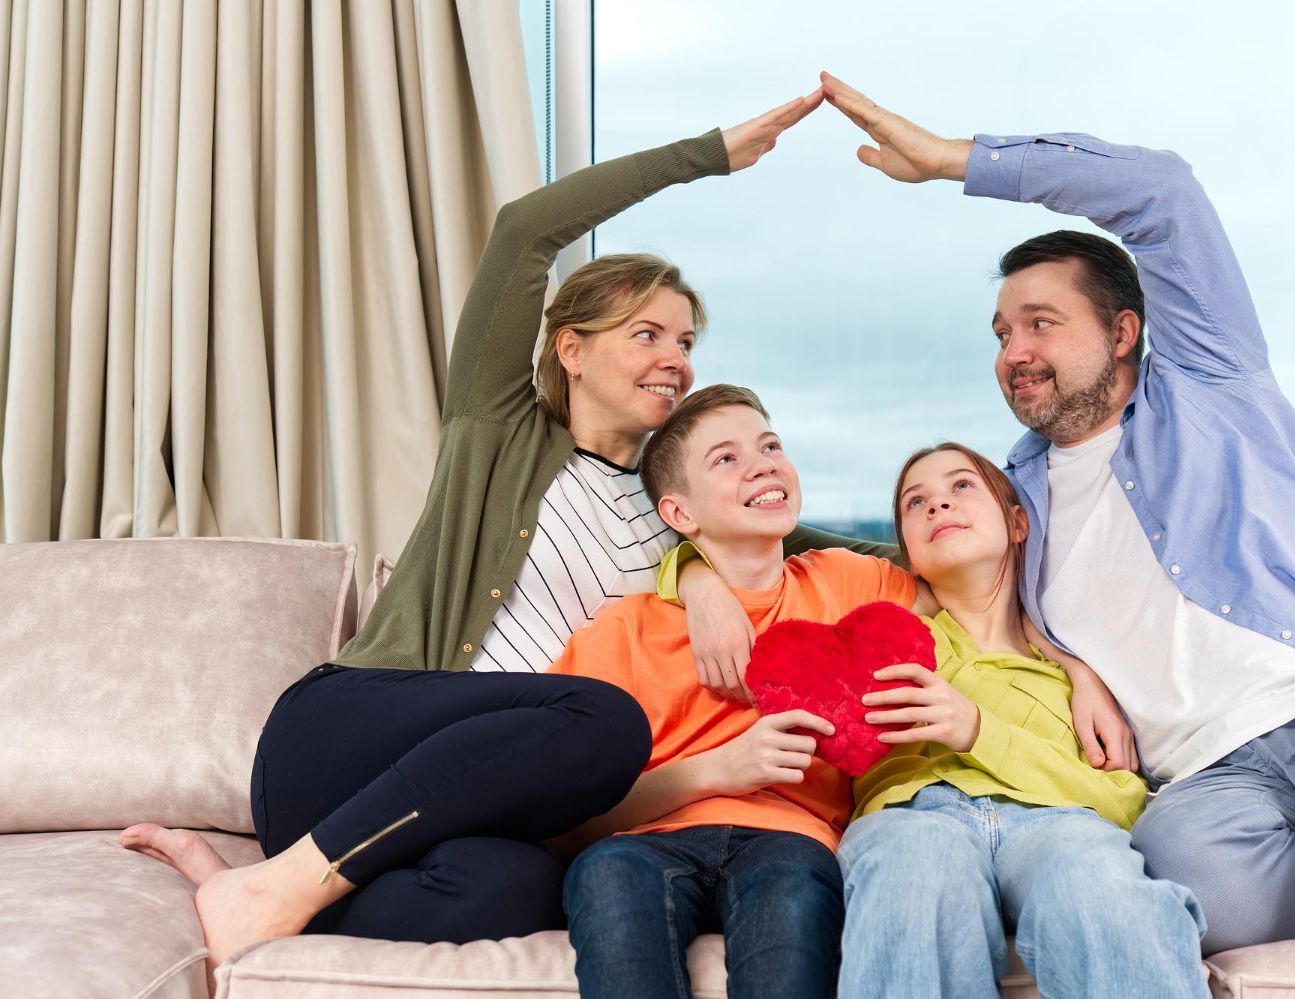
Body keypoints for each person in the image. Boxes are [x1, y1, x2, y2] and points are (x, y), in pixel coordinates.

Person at [117, 92, 889, 981]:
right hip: (352, 737)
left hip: (463, 810)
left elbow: (870, 549)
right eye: (646, 333)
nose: (675, 359)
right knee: (607, 722)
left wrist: (701, 573)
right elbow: (525, 230)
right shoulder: (499, 427)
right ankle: (282, 879)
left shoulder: (681, 512)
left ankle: (250, 885)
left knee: (521, 885)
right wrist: (706, 153)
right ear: (569, 349)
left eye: (684, 340)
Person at [819, 71, 1295, 954]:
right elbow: (904, 552)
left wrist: (958, 160)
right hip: (1208, 777)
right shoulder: (1010, 498)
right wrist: (1071, 663)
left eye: (1039, 324)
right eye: (1000, 334)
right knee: (1176, 903)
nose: (1014, 352)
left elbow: (1162, 192)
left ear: (1125, 331)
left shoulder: (1212, 382)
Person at [550, 384, 921, 999]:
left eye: (770, 445)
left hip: (792, 843)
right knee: (607, 875)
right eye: (725, 458)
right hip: (643, 846)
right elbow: (567, 820)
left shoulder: (852, 582)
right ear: (679, 515)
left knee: (797, 894)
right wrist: (718, 770)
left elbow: (973, 593)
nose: (763, 463)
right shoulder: (625, 630)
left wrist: (1078, 666)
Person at [837, 441, 1206, 998]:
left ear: (1016, 523)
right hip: (913, 818)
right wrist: (693, 569)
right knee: (911, 871)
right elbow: (768, 556)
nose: (937, 504)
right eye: (916, 503)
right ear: (908, 554)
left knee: (1101, 887)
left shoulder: (1080, 668)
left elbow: (1120, 802)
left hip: (1059, 826)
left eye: (961, 486)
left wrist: (981, 730)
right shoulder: (886, 647)